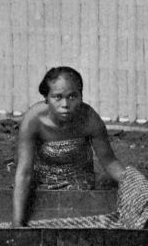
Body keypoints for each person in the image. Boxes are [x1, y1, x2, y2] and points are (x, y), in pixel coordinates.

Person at [12, 66, 127, 227]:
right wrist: (17, 225)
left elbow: (109, 162)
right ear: (46, 98)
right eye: (57, 97)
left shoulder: (90, 119)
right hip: (42, 188)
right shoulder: (33, 120)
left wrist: (132, 182)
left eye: (72, 96)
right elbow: (24, 173)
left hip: (82, 188)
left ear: (81, 96)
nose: (65, 104)